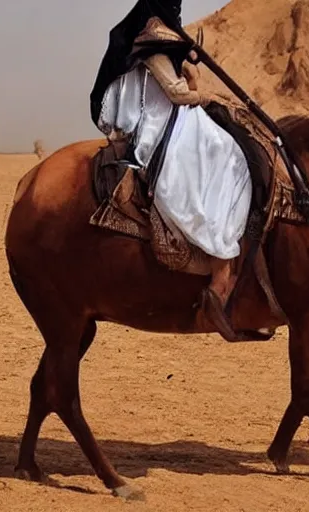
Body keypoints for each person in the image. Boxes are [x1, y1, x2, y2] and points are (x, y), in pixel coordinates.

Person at [89, 0, 254, 341]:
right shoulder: (152, 48)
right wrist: (208, 96)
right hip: (156, 124)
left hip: (171, 117)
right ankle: (217, 265)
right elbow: (178, 94)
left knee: (225, 144)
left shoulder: (163, 44)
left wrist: (191, 70)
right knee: (219, 153)